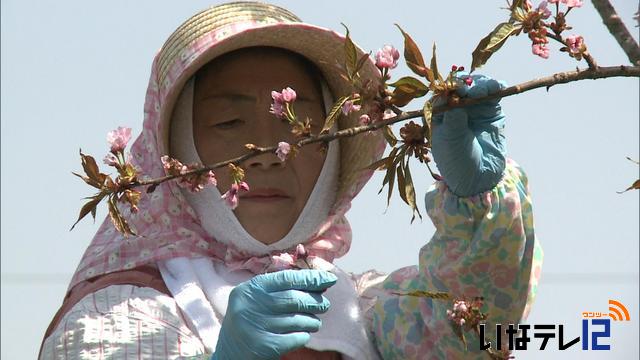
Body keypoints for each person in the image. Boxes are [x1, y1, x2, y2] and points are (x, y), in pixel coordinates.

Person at [39, 2, 543, 359]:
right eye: (227, 125)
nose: (264, 156)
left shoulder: (358, 308)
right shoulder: (118, 313)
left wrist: (481, 205)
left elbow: (474, 330)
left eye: (296, 126)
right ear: (173, 155)